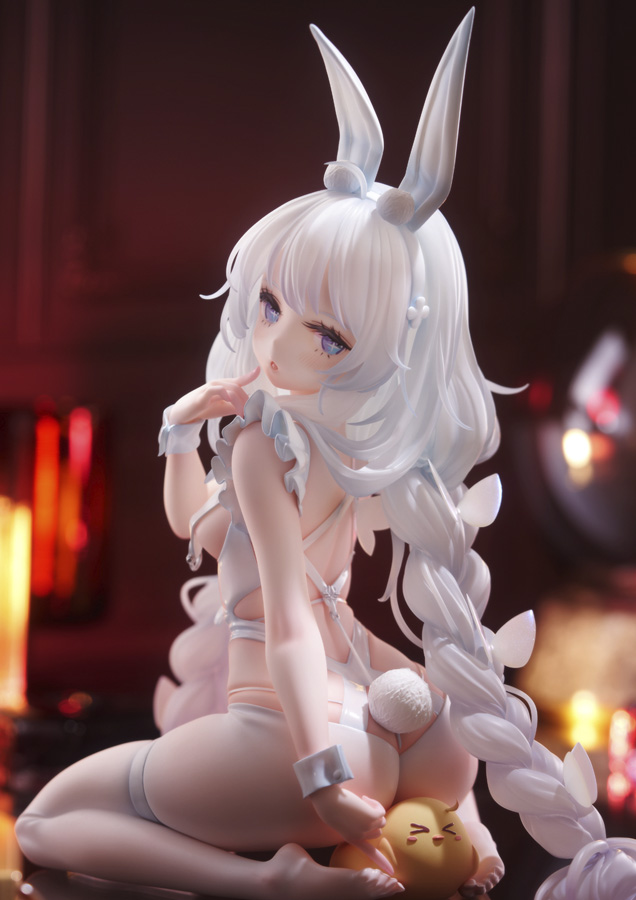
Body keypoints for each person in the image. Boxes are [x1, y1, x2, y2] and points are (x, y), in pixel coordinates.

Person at [18, 12, 633, 900]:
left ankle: (273, 881)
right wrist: (179, 432)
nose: (273, 344)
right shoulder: (364, 449)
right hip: (403, 739)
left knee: (43, 823)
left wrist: (320, 779)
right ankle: (452, 827)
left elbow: (291, 625)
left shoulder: (264, 447)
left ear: (376, 348)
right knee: (412, 696)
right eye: (271, 305)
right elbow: (200, 527)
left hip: (291, 742)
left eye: (326, 335)